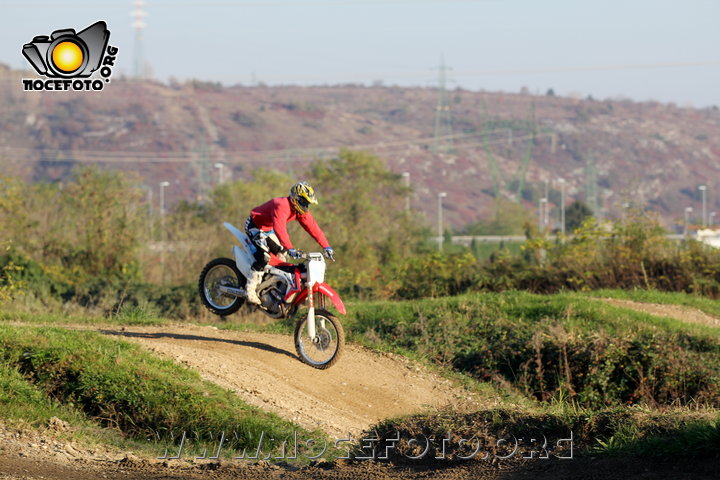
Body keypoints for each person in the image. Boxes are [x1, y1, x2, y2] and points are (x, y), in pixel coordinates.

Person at [243, 181, 334, 305]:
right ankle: (250, 290)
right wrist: (289, 247)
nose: (306, 206)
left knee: (281, 256)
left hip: (268, 230)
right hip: (255, 226)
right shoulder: (281, 205)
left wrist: (326, 246)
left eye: (307, 203)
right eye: (304, 202)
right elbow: (280, 228)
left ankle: (270, 284)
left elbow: (313, 228)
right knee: (263, 257)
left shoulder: (299, 211)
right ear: (295, 198)